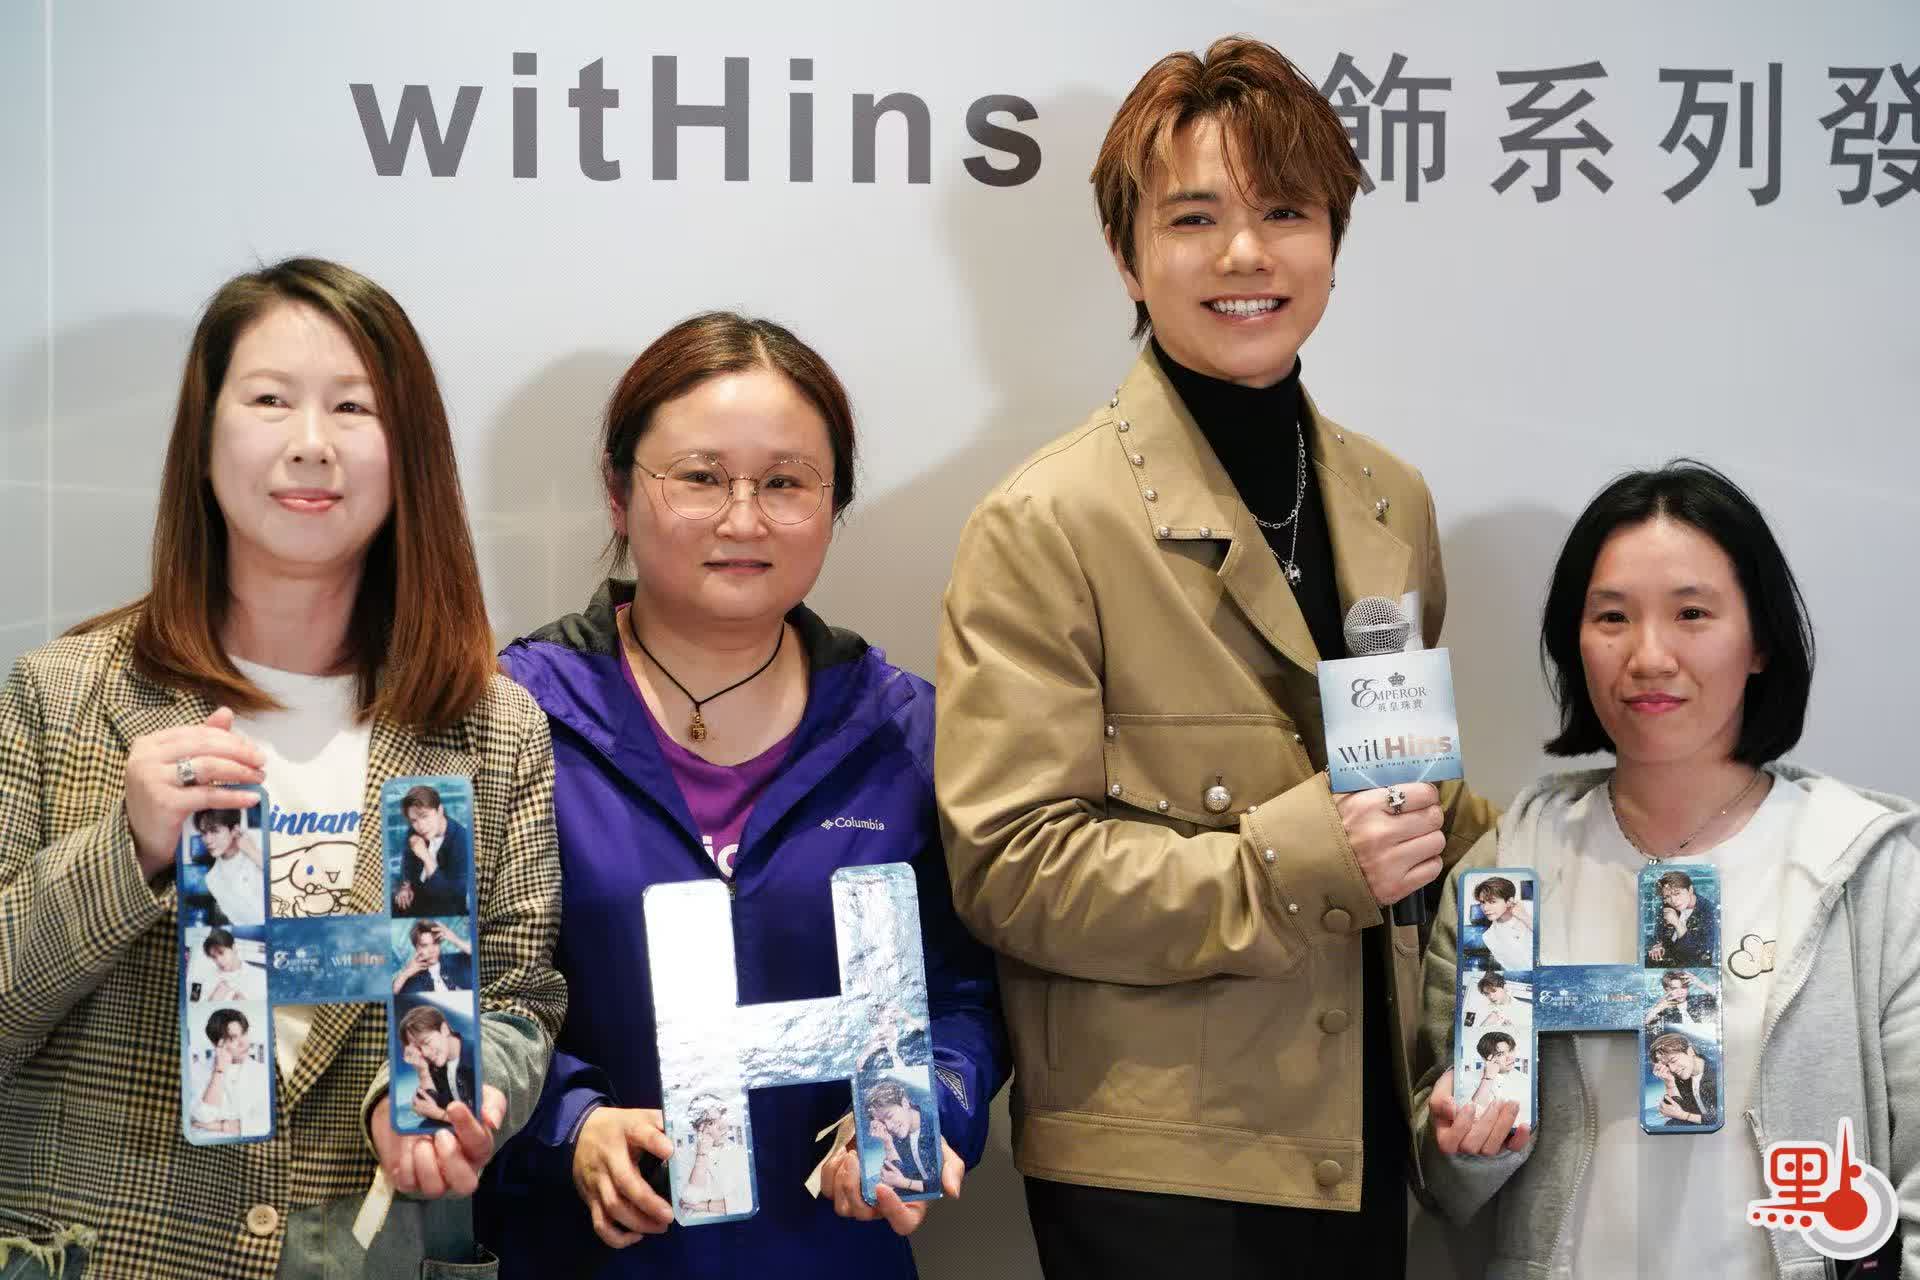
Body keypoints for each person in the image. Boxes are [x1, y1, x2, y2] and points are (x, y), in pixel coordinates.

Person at [933, 37, 1497, 1278]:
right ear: (1126, 252)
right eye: (1194, 218)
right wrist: (1303, 858)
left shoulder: (1388, 497)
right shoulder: (1046, 520)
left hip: (1362, 1126)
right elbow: (1010, 867)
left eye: (1286, 212)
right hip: (1159, 1163)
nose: (1246, 253)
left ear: (1334, 241)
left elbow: (1416, 795)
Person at [0, 258, 565, 1280]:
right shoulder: (62, 695)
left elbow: (521, 996)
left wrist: (450, 1093)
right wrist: (126, 850)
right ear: (204, 435)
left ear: (410, 452)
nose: (312, 442)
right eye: (269, 400)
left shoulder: (493, 728)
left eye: (354, 406)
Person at [476, 312, 1009, 1278]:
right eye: (699, 477)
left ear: (834, 504)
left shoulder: (906, 733)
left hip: (834, 1253)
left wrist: (930, 1101)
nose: (744, 518)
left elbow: (970, 991)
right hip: (587, 1254)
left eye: (786, 483)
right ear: (617, 493)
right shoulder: (510, 719)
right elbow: (451, 985)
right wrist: (567, 1125)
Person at [1413, 462, 1920, 1278]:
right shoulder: (1510, 867)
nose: (1649, 656)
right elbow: (1438, 1184)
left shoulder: (1866, 866)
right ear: (1575, 641)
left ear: (1760, 642)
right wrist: (1464, 1147)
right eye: (1612, 617)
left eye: (1692, 614)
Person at [190, 1007, 274, 1138]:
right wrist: (219, 1071)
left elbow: (266, 1123)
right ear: (216, 1044)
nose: (243, 1043)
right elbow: (203, 1116)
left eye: (244, 1033)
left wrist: (220, 1126)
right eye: (233, 1038)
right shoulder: (197, 1070)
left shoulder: (263, 1072)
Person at [393, 783, 470, 917]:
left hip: (446, 908)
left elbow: (453, 896)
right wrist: (406, 887)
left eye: (424, 816)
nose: (421, 826)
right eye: (414, 820)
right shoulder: (414, 832)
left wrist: (425, 856)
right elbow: (406, 865)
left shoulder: (462, 840)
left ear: (439, 811)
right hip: (417, 898)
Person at [398, 1005, 476, 1123]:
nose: (425, 1053)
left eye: (426, 1042)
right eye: (418, 1048)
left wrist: (440, 1115)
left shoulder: (475, 1056)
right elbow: (427, 1107)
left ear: (444, 1029)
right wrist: (423, 1072)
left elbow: (477, 1119)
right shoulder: (436, 1065)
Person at [864, 1080, 941, 1197]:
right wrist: (887, 1142)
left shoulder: (935, 1126)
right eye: (882, 1122)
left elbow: (940, 1185)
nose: (889, 1126)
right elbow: (895, 1175)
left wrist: (905, 1183)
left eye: (889, 1116)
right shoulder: (897, 1136)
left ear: (905, 1103)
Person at [676, 1098, 751, 1218]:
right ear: (699, 1130)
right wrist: (702, 1155)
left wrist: (703, 1206)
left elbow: (746, 1201)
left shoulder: (739, 1152)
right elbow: (689, 1200)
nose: (723, 1126)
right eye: (711, 1123)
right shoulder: (685, 1156)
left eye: (721, 1117)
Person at [195, 807, 265, 925]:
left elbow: (288, 879)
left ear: (234, 830)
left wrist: (252, 852)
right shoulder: (213, 880)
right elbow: (240, 921)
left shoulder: (261, 840)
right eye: (204, 833)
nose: (207, 840)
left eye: (214, 831)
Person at [1646, 868, 1715, 967]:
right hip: (1668, 962)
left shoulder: (1709, 911)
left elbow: (1701, 955)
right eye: (1667, 896)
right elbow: (1658, 936)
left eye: (1677, 893)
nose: (1673, 901)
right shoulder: (1667, 906)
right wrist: (1657, 945)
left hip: (1692, 966)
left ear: (1690, 890)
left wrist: (1677, 924)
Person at [1647, 1032, 1717, 1127]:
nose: (1672, 1069)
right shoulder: (1682, 1076)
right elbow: (1676, 1110)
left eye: (1673, 1060)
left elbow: (1717, 1118)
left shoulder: (1716, 1073)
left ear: (1690, 1051)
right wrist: (1669, 1082)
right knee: (1672, 1124)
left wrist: (1684, 1115)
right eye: (1666, 1065)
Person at [393, 919, 475, 994]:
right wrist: (404, 975)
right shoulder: (412, 979)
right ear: (416, 948)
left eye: (435, 943)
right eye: (425, 945)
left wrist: (455, 940)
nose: (431, 950)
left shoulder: (456, 961)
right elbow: (391, 997)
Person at [1472, 875, 1536, 971]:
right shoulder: (1489, 937)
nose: (1485, 908)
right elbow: (1515, 968)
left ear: (1509, 901)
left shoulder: (1531, 911)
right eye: (1483, 902)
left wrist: (1525, 917)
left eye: (1492, 902)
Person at [1467, 1032, 1531, 1121]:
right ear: (1486, 1059)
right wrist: (1488, 1078)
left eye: (1511, 1050)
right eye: (1500, 1054)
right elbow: (1471, 1115)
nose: (1509, 1057)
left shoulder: (1525, 1080)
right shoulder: (1469, 1078)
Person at [198, 926, 268, 1002]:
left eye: (221, 953)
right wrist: (213, 999)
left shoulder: (261, 977)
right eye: (214, 957)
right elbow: (193, 1004)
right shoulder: (203, 977)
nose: (219, 960)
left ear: (234, 948)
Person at [1643, 970, 1717, 1029]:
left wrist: (1701, 984)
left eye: (1683, 987)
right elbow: (1643, 1025)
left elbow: (1721, 999)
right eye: (1674, 989)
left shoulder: (1699, 1001)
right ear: (1666, 990)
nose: (1680, 992)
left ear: (1688, 988)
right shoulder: (1662, 1010)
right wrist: (1657, 1009)